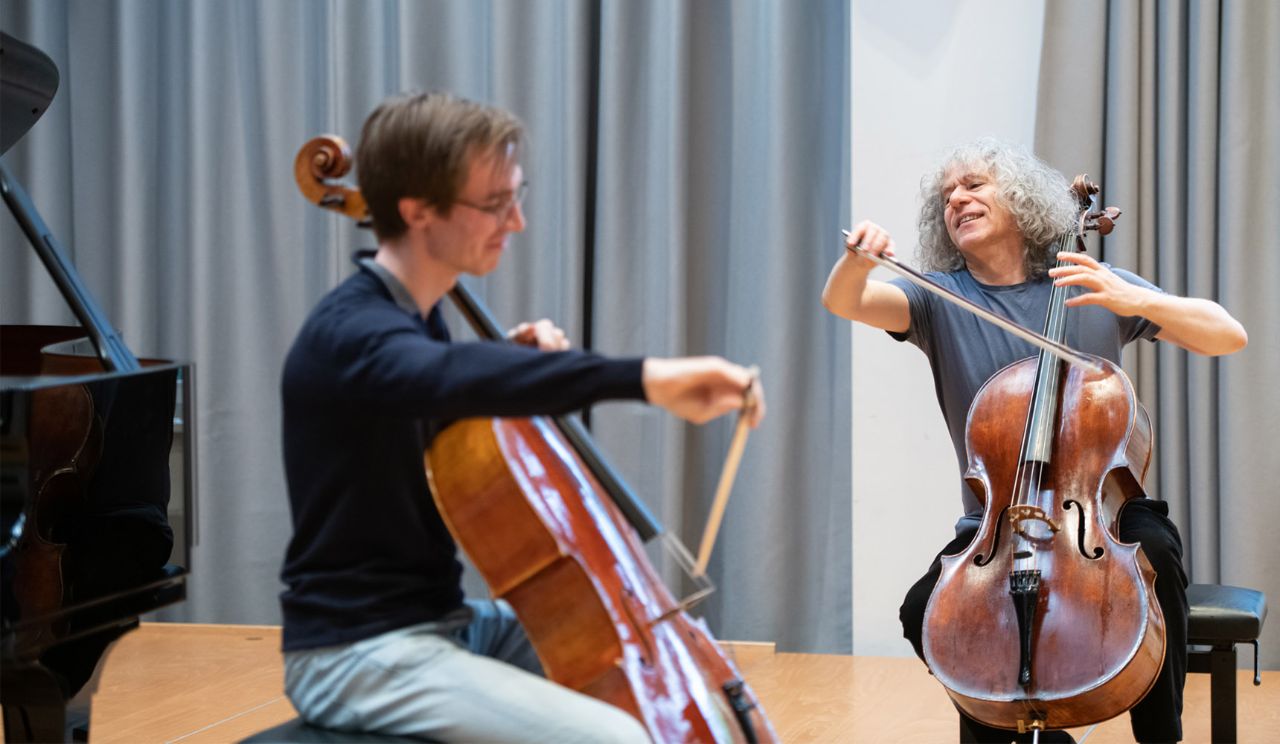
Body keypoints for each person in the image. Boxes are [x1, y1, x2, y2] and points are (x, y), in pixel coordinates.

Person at [278, 91, 764, 743]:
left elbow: (438, 388)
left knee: (661, 680)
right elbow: (442, 378)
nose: (519, 220)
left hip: (444, 621)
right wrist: (646, 377)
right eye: (495, 204)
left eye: (517, 194)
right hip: (359, 652)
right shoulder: (353, 333)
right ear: (417, 210)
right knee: (617, 739)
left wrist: (506, 361)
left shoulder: (416, 321)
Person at [822, 138, 1247, 743]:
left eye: (973, 184)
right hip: (994, 523)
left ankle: (1161, 735)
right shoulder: (939, 298)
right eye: (947, 195)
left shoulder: (1086, 282)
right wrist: (857, 262)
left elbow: (1227, 335)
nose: (957, 199)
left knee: (1158, 552)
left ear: (1020, 200)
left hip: (1103, 515)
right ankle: (1030, 727)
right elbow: (846, 301)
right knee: (923, 610)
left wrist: (1137, 298)